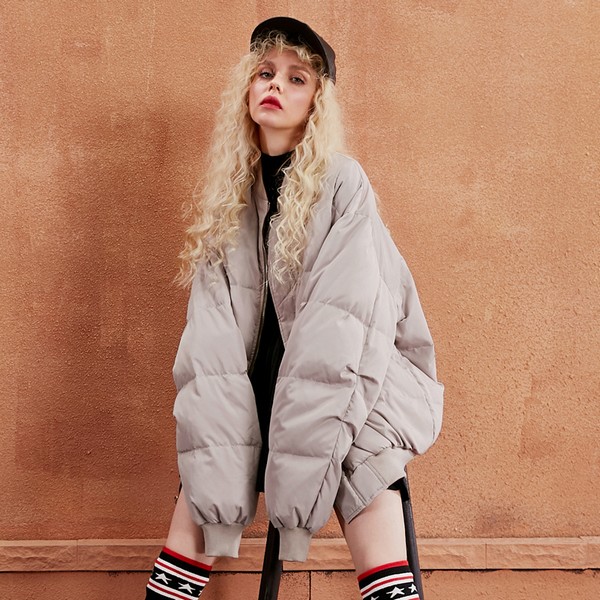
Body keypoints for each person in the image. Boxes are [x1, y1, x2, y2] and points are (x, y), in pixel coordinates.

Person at [145, 16, 443, 600]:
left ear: (315, 105)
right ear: (247, 88)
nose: (276, 85)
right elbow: (209, 348)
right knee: (207, 476)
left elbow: (340, 336)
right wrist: (218, 469)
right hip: (260, 388)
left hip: (361, 380)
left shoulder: (343, 184)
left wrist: (298, 501)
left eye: (296, 78)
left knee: (366, 467)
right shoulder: (230, 196)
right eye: (265, 73)